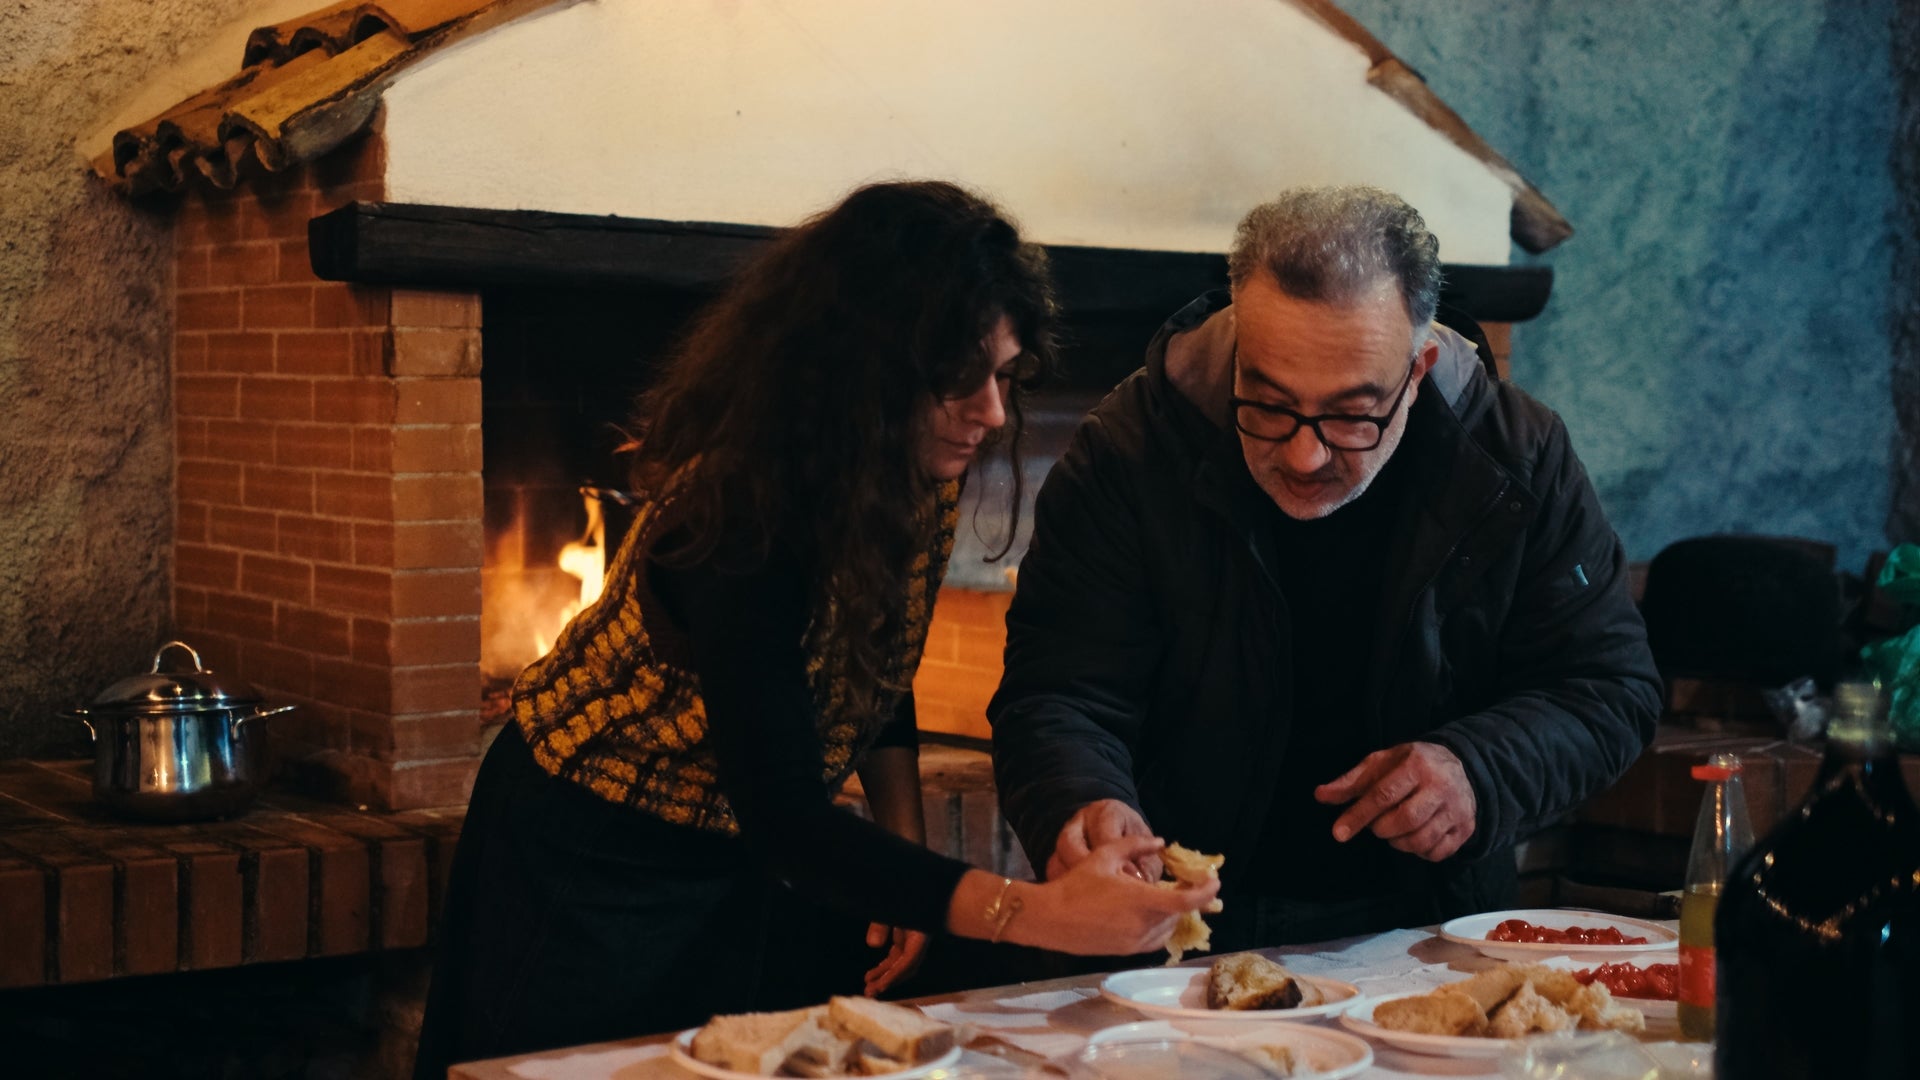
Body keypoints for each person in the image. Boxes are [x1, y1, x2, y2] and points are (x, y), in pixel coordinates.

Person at [413, 181, 1219, 1077]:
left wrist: (906, 858)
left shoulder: (910, 470)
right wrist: (1029, 912)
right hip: (588, 851)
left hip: (731, 852)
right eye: (961, 380)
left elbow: (878, 661)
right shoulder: (735, 516)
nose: (993, 414)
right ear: (863, 370)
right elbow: (789, 816)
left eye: (1003, 375)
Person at [990, 185, 1660, 951]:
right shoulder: (1131, 451)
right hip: (1179, 925)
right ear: (1239, 343)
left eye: (1350, 414)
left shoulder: (1516, 458)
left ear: (1418, 369)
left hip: (1432, 926)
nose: (1304, 456)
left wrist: (1480, 770)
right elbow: (1058, 694)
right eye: (1269, 404)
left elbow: (1609, 687)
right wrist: (1082, 806)